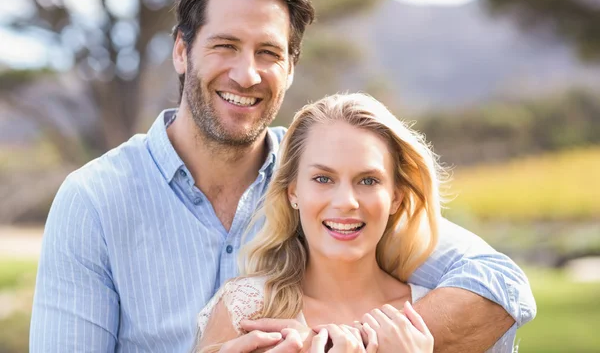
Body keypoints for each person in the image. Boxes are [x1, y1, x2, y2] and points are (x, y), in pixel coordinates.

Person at [29, 0, 535, 352]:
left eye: (268, 53)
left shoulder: (328, 179)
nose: (247, 74)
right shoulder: (93, 200)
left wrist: (360, 345)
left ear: (291, 68)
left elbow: (500, 284)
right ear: (182, 50)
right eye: (225, 45)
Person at [192, 93, 519, 353]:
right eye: (323, 178)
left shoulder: (443, 317)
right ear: (294, 192)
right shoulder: (245, 311)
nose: (346, 201)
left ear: (396, 198)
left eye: (368, 181)